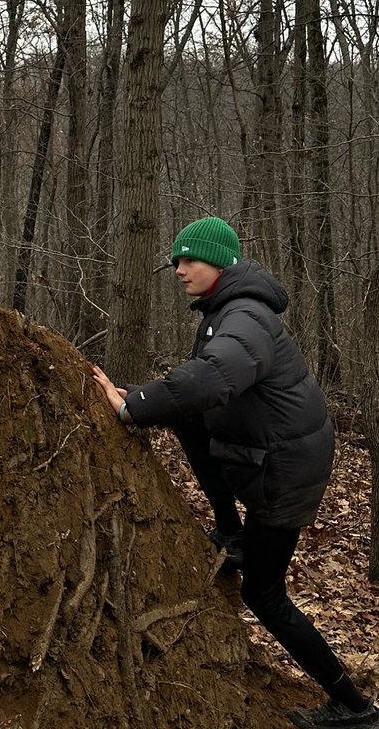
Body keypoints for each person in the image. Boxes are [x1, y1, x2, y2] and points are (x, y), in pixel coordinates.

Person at [93, 216, 377, 729]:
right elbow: (194, 391)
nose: (179, 269)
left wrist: (131, 406)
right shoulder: (226, 311)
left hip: (284, 474)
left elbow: (210, 379)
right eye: (176, 260)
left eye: (190, 260)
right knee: (184, 417)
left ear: (220, 263)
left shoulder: (243, 316)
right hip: (277, 455)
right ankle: (232, 531)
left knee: (263, 595)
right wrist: (137, 396)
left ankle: (355, 708)